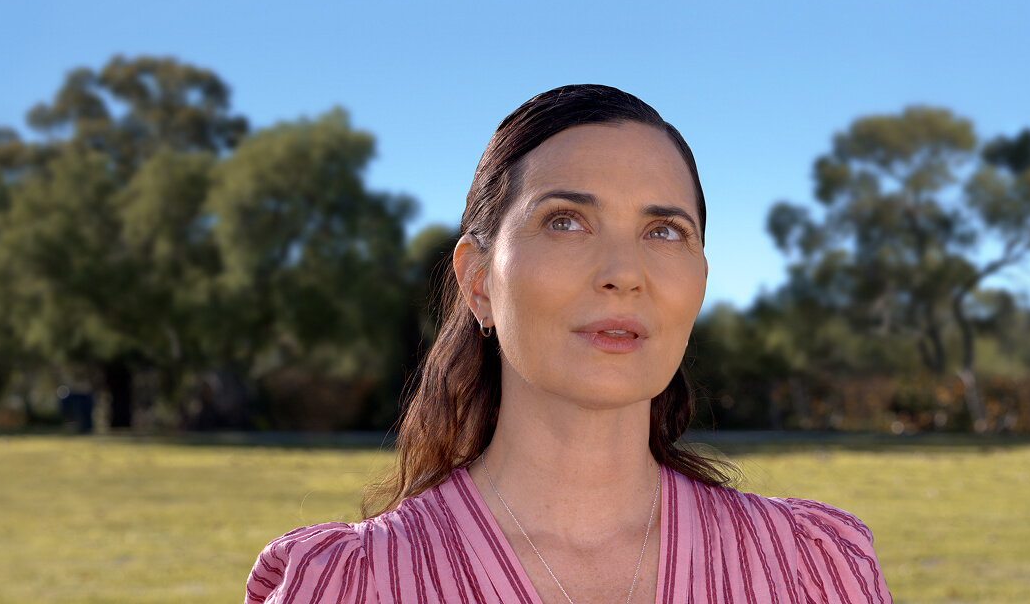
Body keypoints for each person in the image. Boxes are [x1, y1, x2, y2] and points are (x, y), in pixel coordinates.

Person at [246, 85, 889, 604]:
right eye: (565, 221)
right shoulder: (343, 588)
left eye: (664, 231)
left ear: (698, 282)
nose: (623, 271)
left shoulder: (816, 571)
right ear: (478, 281)